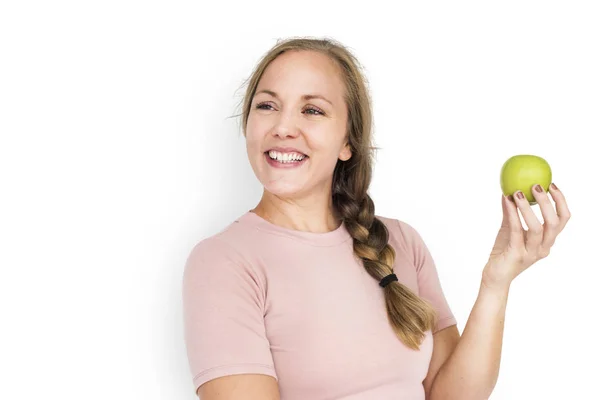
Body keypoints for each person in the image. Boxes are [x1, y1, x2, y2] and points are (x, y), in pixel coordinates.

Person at [182, 37, 571, 400]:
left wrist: (496, 282)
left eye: (312, 110)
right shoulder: (224, 262)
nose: (283, 127)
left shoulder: (399, 242)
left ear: (347, 142)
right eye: (267, 106)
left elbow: (450, 394)